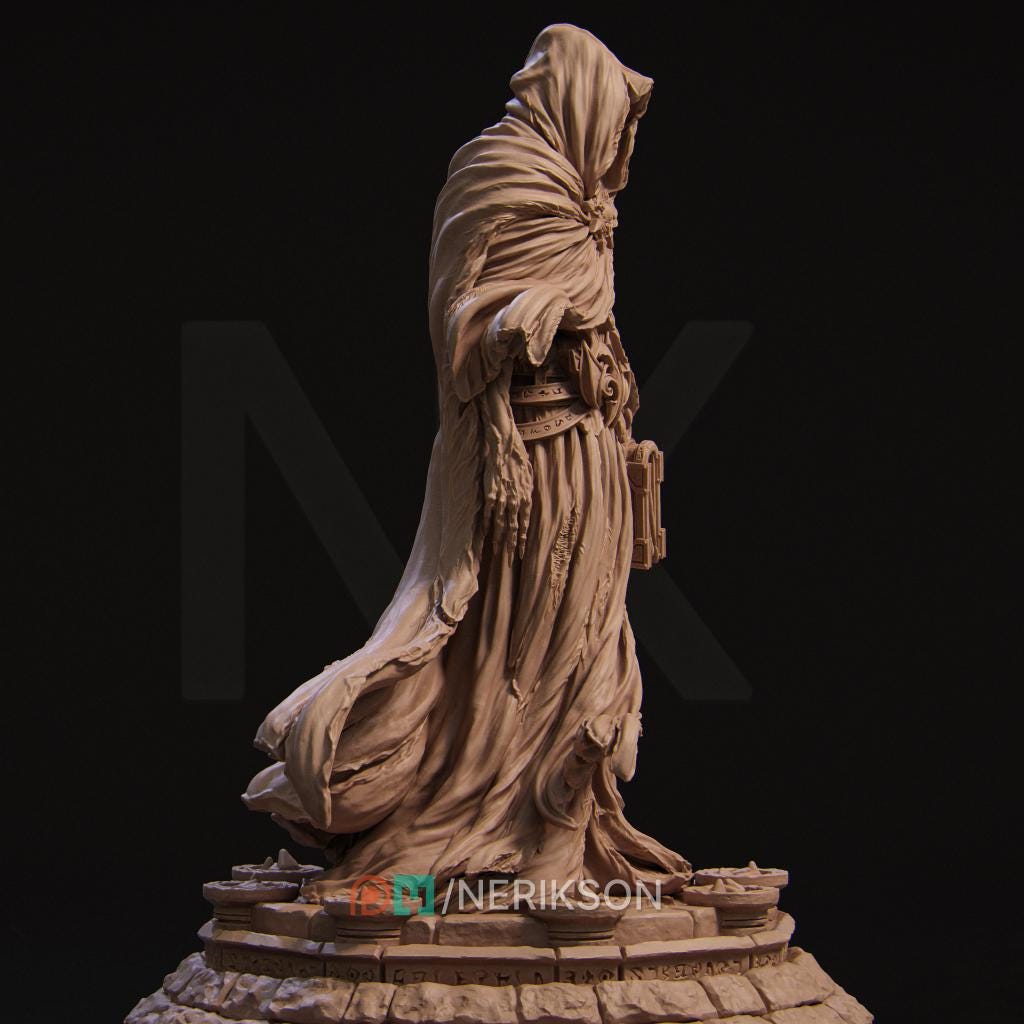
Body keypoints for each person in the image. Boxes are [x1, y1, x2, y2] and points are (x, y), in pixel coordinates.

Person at [243, 24, 691, 900]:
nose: (619, 140)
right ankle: (468, 825)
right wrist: (515, 348)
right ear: (578, 98)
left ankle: (559, 827)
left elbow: (598, 328)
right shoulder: (499, 172)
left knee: (584, 644)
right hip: (521, 456)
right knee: (505, 647)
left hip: (592, 459)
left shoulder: (586, 205)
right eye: (613, 114)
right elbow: (458, 320)